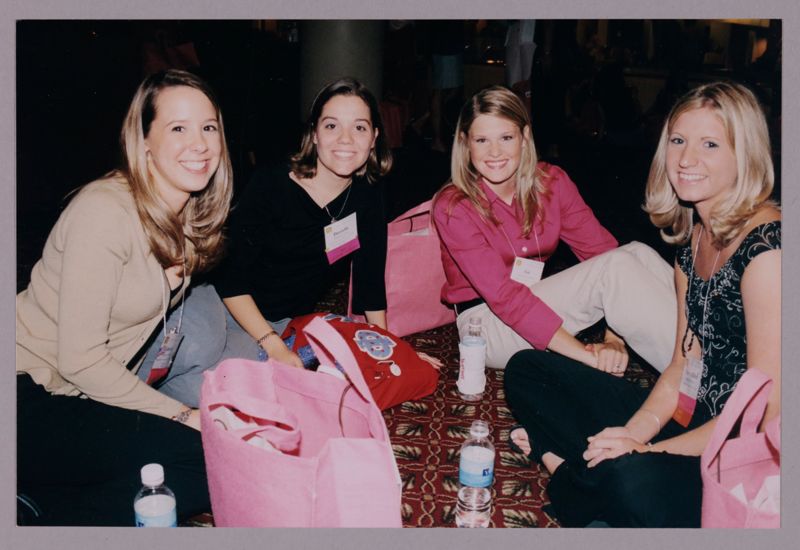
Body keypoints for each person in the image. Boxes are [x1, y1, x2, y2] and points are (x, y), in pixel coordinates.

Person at [504, 81, 781, 527]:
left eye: (709, 144)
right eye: (677, 141)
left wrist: (648, 451)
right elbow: (679, 367)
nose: (686, 160)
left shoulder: (768, 252)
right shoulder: (693, 244)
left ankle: (567, 475)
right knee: (528, 369)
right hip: (689, 422)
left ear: (743, 153)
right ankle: (595, 471)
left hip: (734, 454)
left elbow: (765, 413)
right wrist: (632, 434)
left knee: (634, 483)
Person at [16, 69, 243, 525]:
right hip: (24, 388)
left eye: (209, 127)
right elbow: (80, 359)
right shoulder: (104, 211)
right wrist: (181, 415)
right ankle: (35, 517)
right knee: (202, 462)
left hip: (75, 395)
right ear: (143, 143)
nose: (199, 144)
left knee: (210, 458)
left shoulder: (189, 218)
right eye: (178, 128)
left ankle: (42, 488)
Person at [432, 85, 677, 381]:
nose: (494, 152)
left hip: (533, 303)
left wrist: (614, 339)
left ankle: (707, 358)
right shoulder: (453, 206)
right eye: (481, 140)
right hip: (484, 326)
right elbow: (506, 299)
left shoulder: (552, 182)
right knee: (618, 266)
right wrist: (585, 354)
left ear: (524, 139)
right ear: (465, 143)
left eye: (506, 137)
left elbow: (603, 250)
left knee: (637, 252)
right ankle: (696, 382)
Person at [214, 78, 391, 368]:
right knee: (224, 369)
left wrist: (388, 347)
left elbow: (370, 278)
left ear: (373, 138)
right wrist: (274, 347)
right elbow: (230, 280)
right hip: (229, 309)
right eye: (332, 125)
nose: (346, 139)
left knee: (349, 361)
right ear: (315, 134)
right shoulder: (271, 184)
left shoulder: (367, 193)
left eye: (359, 127)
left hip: (288, 322)